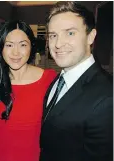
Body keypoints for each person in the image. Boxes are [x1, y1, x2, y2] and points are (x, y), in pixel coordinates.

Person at [40, 2, 113, 161]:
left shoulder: (108, 97)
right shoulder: (59, 79)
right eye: (53, 35)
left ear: (90, 36)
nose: (58, 44)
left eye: (70, 33)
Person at [0, 20, 57, 161]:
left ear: (31, 46)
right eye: (9, 45)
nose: (16, 52)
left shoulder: (49, 79)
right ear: (1, 47)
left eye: (23, 45)